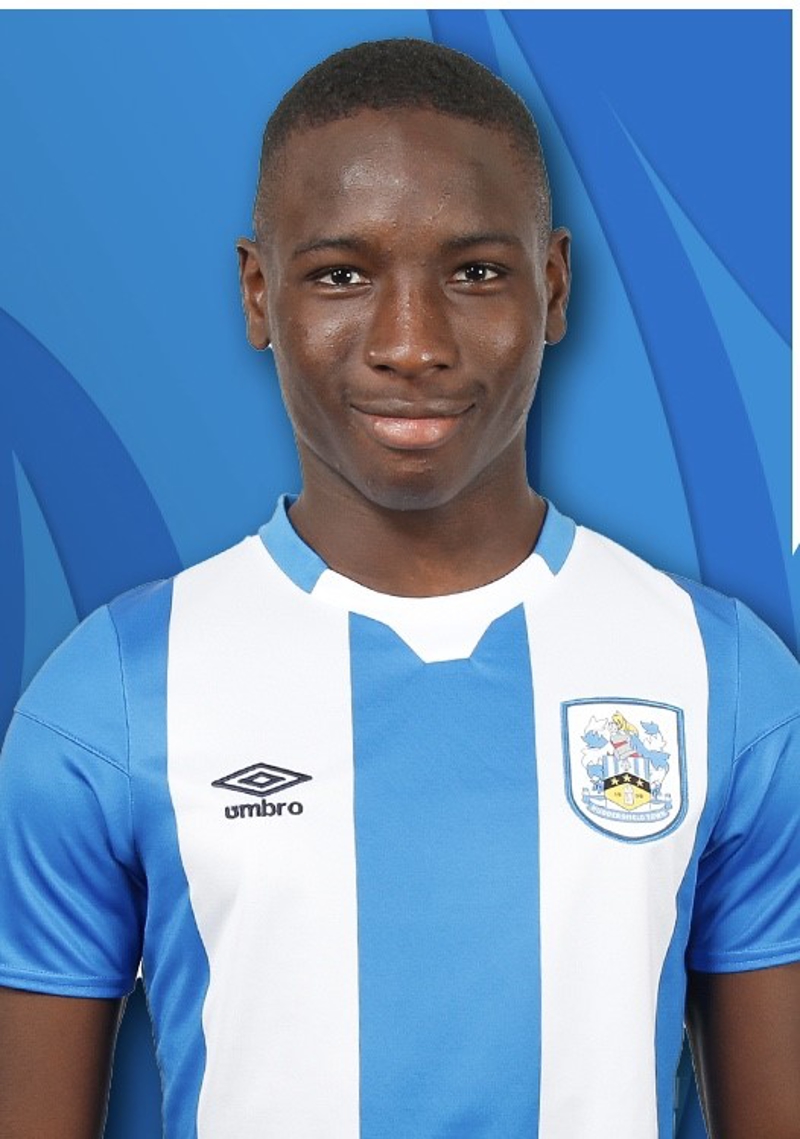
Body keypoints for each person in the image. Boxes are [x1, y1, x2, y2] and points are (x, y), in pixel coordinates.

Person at [0, 37, 798, 1139]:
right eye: (341, 274)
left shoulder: (722, 677)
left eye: (475, 272)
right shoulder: (115, 695)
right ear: (258, 293)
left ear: (553, 285)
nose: (411, 344)